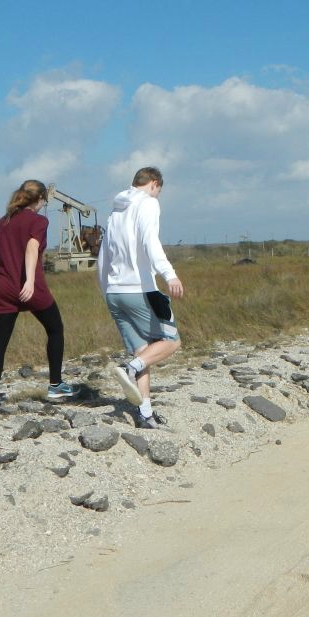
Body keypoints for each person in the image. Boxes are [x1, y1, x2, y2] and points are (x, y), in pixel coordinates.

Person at [98, 166, 185, 429]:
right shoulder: (147, 204)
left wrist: (106, 289)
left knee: (143, 352)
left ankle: (145, 414)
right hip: (139, 289)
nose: (158, 196)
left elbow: (104, 255)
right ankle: (129, 369)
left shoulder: (116, 211)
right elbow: (150, 241)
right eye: (158, 191)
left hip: (114, 291)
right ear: (154, 184)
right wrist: (169, 275)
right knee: (171, 341)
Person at [0, 180, 75, 413]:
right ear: (38, 199)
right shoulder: (38, 221)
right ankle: (55, 385)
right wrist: (31, 281)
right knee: (55, 328)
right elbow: (32, 248)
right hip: (29, 288)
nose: (44, 204)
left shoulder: (2, 222)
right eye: (44, 200)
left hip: (2, 287)